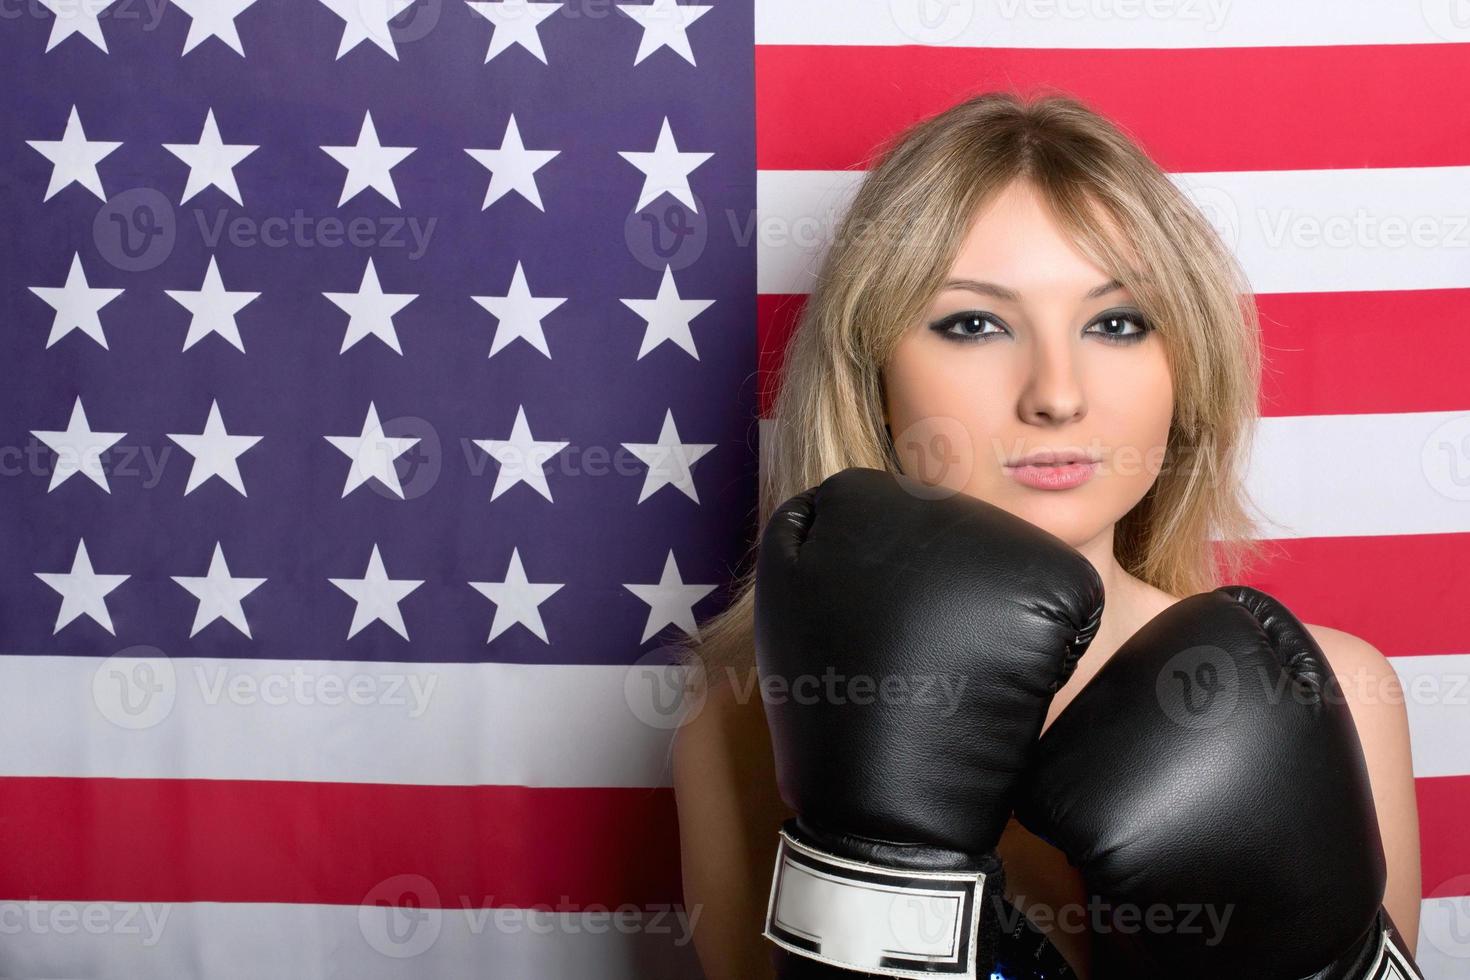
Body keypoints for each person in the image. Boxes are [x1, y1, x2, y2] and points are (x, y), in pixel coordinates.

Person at [670, 90, 1421, 978]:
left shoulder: (1337, 690)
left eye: (1118, 321)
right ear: (871, 373)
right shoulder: (742, 720)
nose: (1057, 394)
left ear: (1187, 364)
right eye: (974, 324)